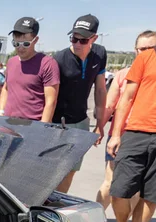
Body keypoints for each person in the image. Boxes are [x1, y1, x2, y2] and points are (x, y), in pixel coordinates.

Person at [105, 10, 156, 222]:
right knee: (118, 191)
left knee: (152, 193)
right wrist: (115, 134)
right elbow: (127, 98)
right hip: (135, 131)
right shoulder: (147, 58)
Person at [96, 30, 156, 211]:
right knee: (110, 183)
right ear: (135, 50)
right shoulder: (122, 75)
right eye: (142, 49)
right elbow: (110, 104)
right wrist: (99, 127)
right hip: (119, 136)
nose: (146, 53)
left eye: (151, 48)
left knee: (135, 188)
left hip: (149, 137)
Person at [52, 14, 108, 193]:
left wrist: (99, 125)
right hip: (57, 123)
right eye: (74, 38)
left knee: (70, 171)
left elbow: (100, 90)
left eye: (83, 40)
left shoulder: (100, 54)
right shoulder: (59, 59)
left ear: (94, 38)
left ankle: (56, 207)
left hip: (81, 122)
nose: (77, 44)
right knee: (53, 170)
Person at [0, 17, 60, 122]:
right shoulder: (11, 62)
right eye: (16, 44)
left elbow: (51, 102)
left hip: (33, 126)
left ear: (35, 40)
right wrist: (0, 111)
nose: (20, 48)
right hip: (8, 124)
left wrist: (42, 129)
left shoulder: (47, 64)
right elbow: (6, 88)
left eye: (25, 44)